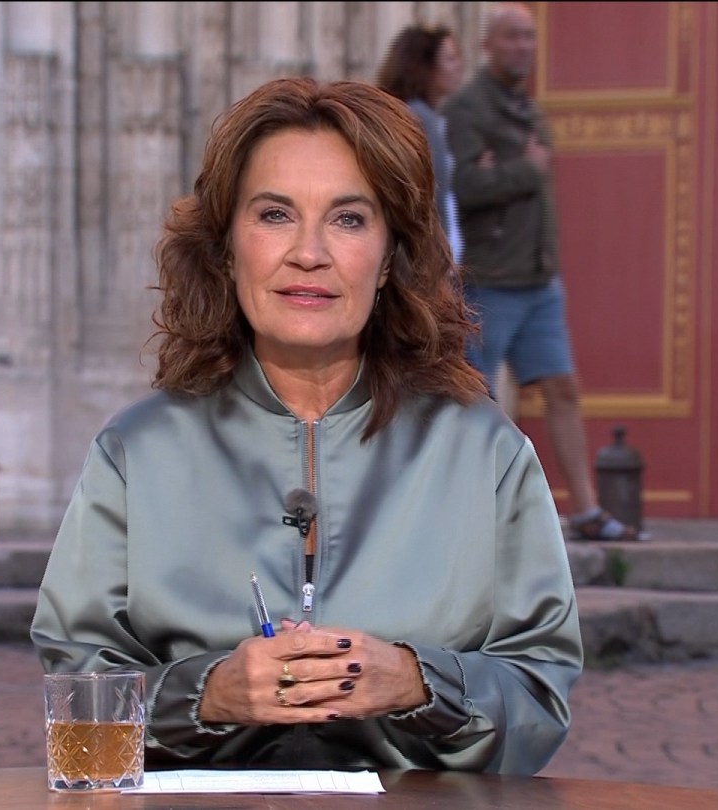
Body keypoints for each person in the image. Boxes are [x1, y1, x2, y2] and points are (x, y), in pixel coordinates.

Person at [31, 77, 582, 775]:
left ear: (389, 258)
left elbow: (540, 694)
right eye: (275, 215)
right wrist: (208, 695)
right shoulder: (135, 452)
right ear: (226, 247)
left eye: (348, 219)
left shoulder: (485, 451)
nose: (309, 253)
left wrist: (417, 684)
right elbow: (77, 694)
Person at [442, 3, 640, 541]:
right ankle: (470, 515)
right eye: (512, 37)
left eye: (529, 37)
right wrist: (524, 171)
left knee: (563, 387)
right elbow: (462, 187)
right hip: (491, 277)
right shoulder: (466, 109)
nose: (523, 47)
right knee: (473, 397)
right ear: (487, 45)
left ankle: (586, 511)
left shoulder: (525, 107)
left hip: (538, 279)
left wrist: (513, 172)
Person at [373, 22, 468, 265]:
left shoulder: (423, 116)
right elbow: (431, 196)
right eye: (450, 59)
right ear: (425, 67)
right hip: (426, 258)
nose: (459, 66)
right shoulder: (418, 119)